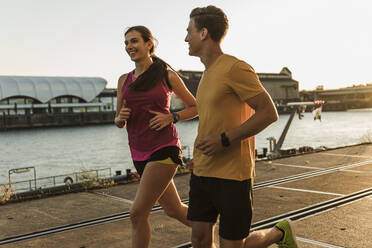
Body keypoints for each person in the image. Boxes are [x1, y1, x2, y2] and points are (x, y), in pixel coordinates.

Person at [185, 6, 298, 248]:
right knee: (199, 239)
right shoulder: (206, 74)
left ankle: (279, 233)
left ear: (203, 33)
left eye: (189, 31)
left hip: (232, 174)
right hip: (203, 170)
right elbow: (211, 120)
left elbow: (269, 112)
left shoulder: (235, 68)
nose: (186, 38)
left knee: (234, 245)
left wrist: (224, 139)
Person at [115, 25, 197, 248]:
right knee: (174, 210)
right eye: (126, 43)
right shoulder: (124, 80)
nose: (129, 47)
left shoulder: (166, 76)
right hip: (138, 152)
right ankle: (211, 227)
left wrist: (172, 117)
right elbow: (118, 120)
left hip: (164, 147)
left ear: (149, 44)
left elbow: (195, 107)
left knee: (137, 213)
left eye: (134, 41)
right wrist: (120, 118)